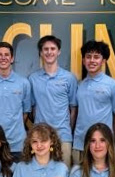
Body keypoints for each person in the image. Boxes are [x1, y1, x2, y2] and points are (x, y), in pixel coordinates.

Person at [72, 40, 115, 165]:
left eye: (96, 57)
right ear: (83, 60)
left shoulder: (113, 85)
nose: (92, 60)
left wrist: (109, 136)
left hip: (101, 146)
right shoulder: (79, 85)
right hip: (80, 144)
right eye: (88, 57)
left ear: (103, 61)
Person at [29, 35, 78, 166]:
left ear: (59, 51)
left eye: (53, 48)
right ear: (40, 52)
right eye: (45, 49)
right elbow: (32, 109)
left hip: (64, 136)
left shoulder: (69, 78)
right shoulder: (32, 79)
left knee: (63, 176)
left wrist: (67, 128)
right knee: (41, 176)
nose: (49, 52)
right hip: (40, 138)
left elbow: (73, 109)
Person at [0, 42, 31, 161]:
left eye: (7, 55)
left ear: (12, 58)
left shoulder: (24, 83)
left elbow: (25, 112)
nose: (3, 57)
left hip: (18, 144)